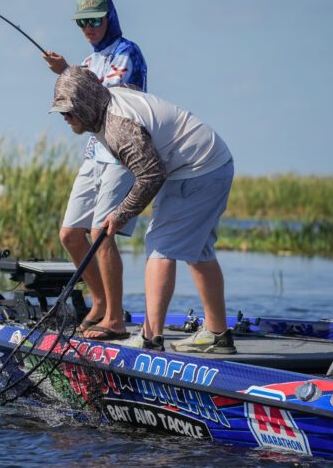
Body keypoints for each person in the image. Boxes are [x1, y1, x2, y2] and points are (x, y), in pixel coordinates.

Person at [50, 66, 236, 354]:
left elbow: (151, 175)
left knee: (159, 247)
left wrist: (120, 214)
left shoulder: (118, 129)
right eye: (61, 111)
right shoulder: (108, 98)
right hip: (213, 161)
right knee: (200, 252)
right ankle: (217, 334)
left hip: (196, 169)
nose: (65, 117)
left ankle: (150, 338)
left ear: (87, 104)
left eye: (69, 110)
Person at [42, 0, 147, 340]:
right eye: (82, 22)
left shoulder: (127, 52)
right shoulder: (89, 61)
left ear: (109, 18)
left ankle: (115, 319)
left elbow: (108, 97)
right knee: (71, 234)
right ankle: (100, 303)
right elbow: (81, 106)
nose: (88, 27)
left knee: (102, 233)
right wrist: (66, 82)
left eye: (94, 20)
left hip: (122, 153)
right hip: (94, 152)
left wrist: (67, 71)